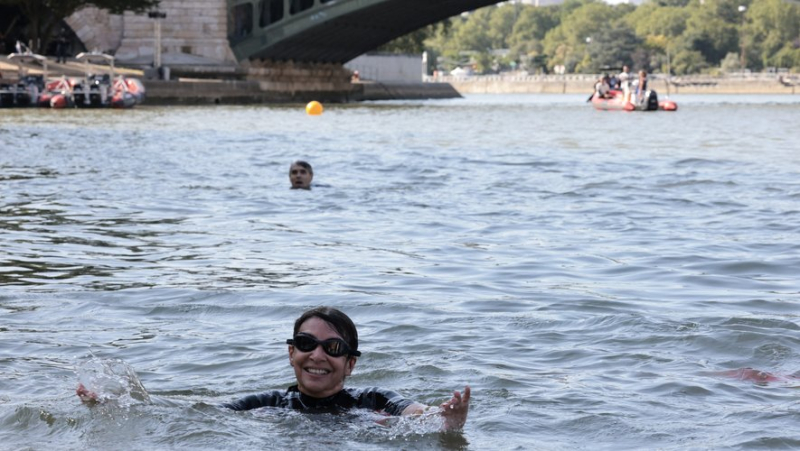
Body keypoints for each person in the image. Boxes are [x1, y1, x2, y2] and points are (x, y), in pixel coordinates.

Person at [224, 307, 471, 431]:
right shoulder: (265, 405)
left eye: (332, 347)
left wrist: (442, 417)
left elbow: (412, 411)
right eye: (306, 343)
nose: (317, 356)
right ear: (292, 353)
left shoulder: (372, 399)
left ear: (350, 364)